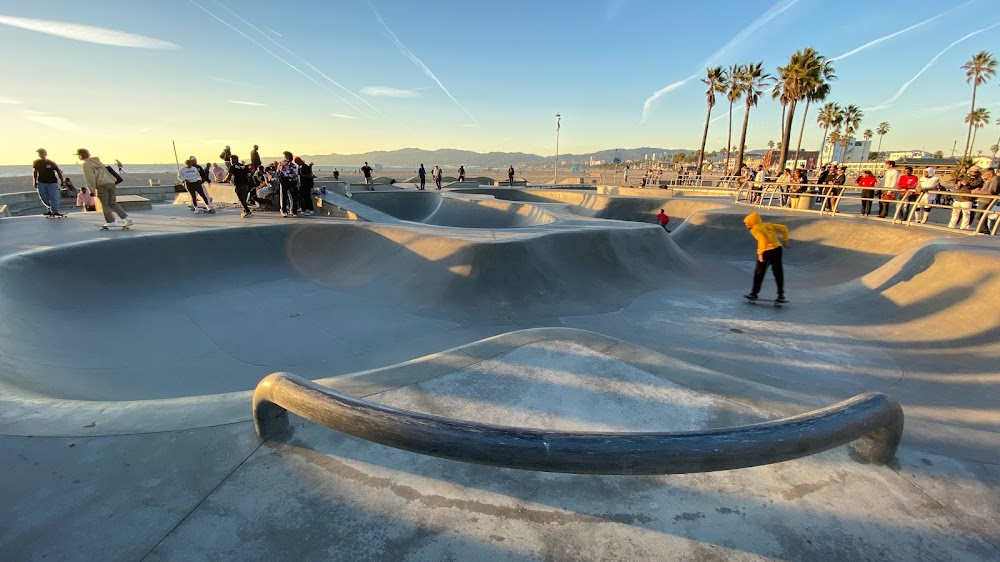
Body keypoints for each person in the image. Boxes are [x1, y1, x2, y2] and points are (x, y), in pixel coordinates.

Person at [76, 148, 132, 228]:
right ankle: (127, 218)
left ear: (81, 155)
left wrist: (92, 190)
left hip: (102, 185)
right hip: (111, 183)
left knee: (105, 204)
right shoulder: (98, 161)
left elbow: (90, 177)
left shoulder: (86, 164)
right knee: (112, 203)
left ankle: (111, 221)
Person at [743, 212, 789, 303]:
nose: (746, 225)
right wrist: (785, 240)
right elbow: (784, 228)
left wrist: (760, 254)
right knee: (778, 272)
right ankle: (781, 295)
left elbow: (762, 240)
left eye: (747, 223)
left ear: (752, 222)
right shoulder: (768, 225)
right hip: (778, 249)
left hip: (766, 252)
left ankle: (754, 293)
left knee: (759, 273)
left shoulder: (755, 229)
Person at [32, 148, 65, 217]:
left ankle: (55, 211)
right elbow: (35, 172)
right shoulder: (37, 162)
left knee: (53, 197)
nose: (41, 154)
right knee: (44, 197)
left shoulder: (51, 162)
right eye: (39, 153)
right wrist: (34, 181)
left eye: (42, 153)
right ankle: (50, 209)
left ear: (45, 154)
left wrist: (62, 181)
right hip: (41, 182)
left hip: (52, 182)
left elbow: (58, 171)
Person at [971, 167, 999, 233]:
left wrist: (978, 192)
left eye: (985, 174)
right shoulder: (991, 180)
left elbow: (991, 192)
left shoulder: (994, 180)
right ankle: (983, 229)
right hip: (983, 200)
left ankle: (985, 230)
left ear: (990, 174)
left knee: (979, 215)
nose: (984, 176)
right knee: (980, 215)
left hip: (986, 200)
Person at [276, 151, 300, 216]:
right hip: (286, 181)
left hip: (289, 181)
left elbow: (295, 174)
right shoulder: (282, 164)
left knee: (289, 196)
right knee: (287, 196)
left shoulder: (291, 165)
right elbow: (278, 172)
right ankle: (286, 210)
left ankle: (290, 210)